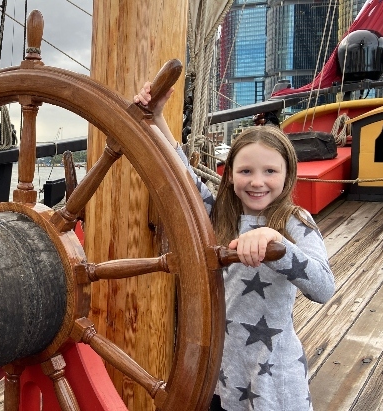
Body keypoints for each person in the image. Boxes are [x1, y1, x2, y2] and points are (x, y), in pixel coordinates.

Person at [135, 82, 335, 410]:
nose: (257, 181)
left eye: (270, 171)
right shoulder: (218, 215)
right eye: (245, 171)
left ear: (288, 175)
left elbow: (324, 287)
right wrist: (156, 118)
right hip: (225, 368)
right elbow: (182, 176)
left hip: (270, 372)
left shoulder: (295, 221)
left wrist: (278, 244)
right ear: (229, 176)